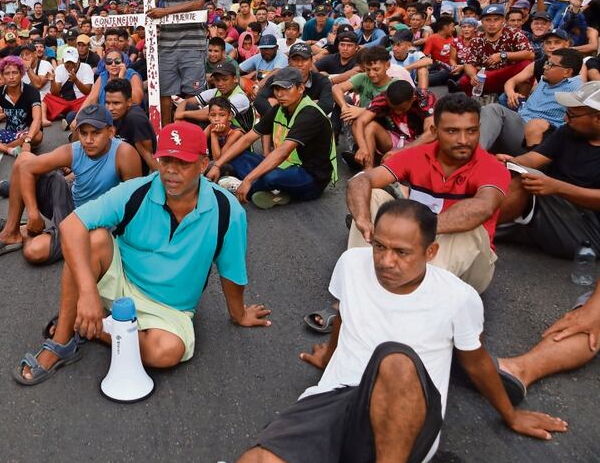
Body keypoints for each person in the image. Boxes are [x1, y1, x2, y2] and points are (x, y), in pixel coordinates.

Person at [239, 199, 567, 463]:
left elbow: (476, 361)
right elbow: (344, 318)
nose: (385, 261)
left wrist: (510, 415)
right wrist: (330, 356)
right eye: (379, 247)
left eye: (402, 252)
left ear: (430, 252)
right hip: (336, 399)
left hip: (407, 414)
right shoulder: (352, 264)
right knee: (259, 458)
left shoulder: (457, 297)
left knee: (394, 359)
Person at [13, 121, 271, 385]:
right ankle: (62, 341)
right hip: (121, 281)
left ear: (203, 164)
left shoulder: (228, 211)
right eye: (165, 160)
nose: (171, 171)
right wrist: (88, 292)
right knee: (93, 239)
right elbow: (71, 225)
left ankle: (92, 325)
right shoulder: (138, 190)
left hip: (169, 307)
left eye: (182, 163)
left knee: (166, 352)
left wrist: (239, 314)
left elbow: (231, 271)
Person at [346, 94, 508, 294]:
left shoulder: (492, 166)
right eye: (452, 131)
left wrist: (416, 232)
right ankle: (359, 288)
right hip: (411, 249)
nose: (464, 140)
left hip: (469, 265)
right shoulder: (416, 155)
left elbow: (484, 206)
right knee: (373, 195)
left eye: (471, 131)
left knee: (470, 227)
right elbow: (362, 180)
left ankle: (413, 301)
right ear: (434, 131)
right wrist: (362, 217)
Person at [0, 104, 141, 265]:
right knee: (23, 159)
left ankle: (25, 232)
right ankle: (12, 231)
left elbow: (136, 203)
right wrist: (34, 213)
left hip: (92, 221)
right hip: (68, 204)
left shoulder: (124, 153)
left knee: (34, 252)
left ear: (111, 132)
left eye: (96, 133)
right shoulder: (75, 149)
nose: (89, 140)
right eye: (84, 134)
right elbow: (26, 169)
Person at [495, 81, 600, 259]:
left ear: (598, 119)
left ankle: (477, 228)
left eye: (572, 115)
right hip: (557, 208)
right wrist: (510, 162)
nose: (566, 119)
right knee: (515, 172)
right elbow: (534, 158)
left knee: (525, 181)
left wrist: (557, 187)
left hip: (589, 233)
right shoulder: (570, 132)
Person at [208, 67, 336, 209]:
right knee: (236, 154)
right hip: (285, 165)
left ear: (300, 88)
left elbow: (282, 152)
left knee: (271, 177)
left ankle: (244, 186)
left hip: (311, 177)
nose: (279, 94)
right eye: (276, 89)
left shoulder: (310, 114)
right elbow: (248, 139)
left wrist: (249, 180)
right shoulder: (280, 109)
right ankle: (277, 192)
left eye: (285, 89)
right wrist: (217, 165)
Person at [146, 0, 212, 125]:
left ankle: (192, 138)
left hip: (192, 45)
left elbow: (199, 3)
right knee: (164, 93)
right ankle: (167, 134)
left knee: (194, 94)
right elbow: (150, 3)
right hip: (166, 45)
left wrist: (165, 11)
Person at [480, 48, 584, 155]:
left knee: (495, 110)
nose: (545, 67)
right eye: (547, 62)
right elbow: (511, 82)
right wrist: (512, 94)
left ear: (567, 72)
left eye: (550, 65)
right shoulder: (547, 78)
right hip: (520, 123)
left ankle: (475, 156)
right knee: (484, 115)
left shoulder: (577, 89)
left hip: (536, 140)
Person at [350, 79, 436, 170]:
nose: (397, 112)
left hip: (419, 143)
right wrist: (363, 148)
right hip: (397, 138)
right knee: (370, 126)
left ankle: (396, 166)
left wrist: (399, 151)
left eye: (402, 109)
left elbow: (431, 134)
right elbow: (359, 122)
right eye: (393, 108)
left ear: (413, 99)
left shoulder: (425, 98)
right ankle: (367, 171)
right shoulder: (384, 97)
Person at [456, 3, 534, 96]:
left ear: (503, 21)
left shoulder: (514, 33)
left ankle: (521, 102)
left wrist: (502, 55)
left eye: (496, 19)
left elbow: (530, 54)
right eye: (488, 20)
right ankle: (477, 105)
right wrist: (473, 76)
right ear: (482, 22)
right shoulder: (477, 39)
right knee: (465, 80)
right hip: (489, 77)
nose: (492, 24)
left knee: (527, 65)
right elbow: (468, 63)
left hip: (510, 76)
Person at [0, 56, 44, 159]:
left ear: (21, 74)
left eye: (15, 73)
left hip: (27, 133)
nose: (11, 77)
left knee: (38, 136)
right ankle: (7, 149)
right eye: (7, 74)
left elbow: (37, 120)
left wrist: (27, 140)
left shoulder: (32, 92)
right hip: (9, 134)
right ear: (2, 76)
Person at [104, 77, 158, 174]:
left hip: (132, 176)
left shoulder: (135, 119)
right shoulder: (113, 114)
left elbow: (149, 157)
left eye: (116, 103)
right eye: (107, 103)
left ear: (129, 102)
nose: (110, 108)